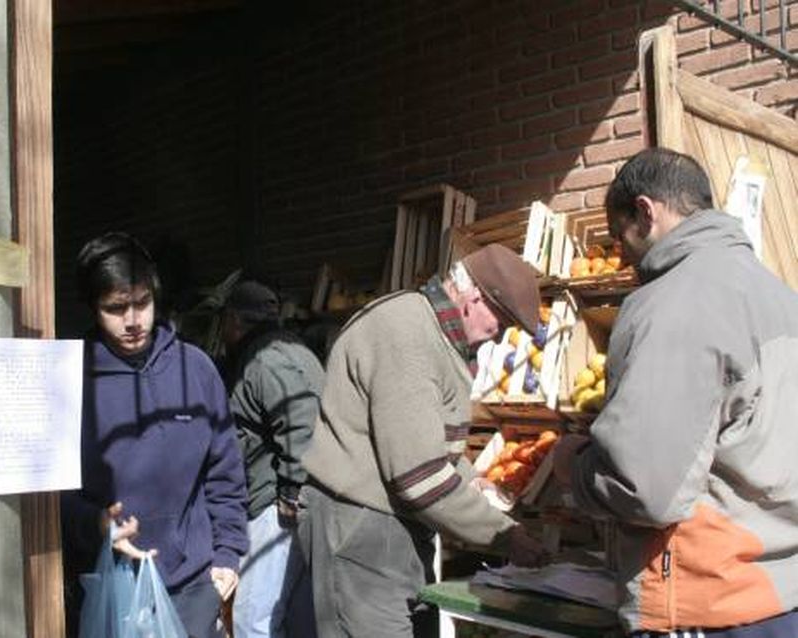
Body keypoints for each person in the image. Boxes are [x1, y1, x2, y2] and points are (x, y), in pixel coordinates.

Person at [552, 148, 798, 637]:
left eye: (619, 234)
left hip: (707, 597)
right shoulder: (779, 296)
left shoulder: (672, 302)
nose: (621, 253)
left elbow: (644, 488)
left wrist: (574, 466)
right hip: (782, 589)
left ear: (645, 212)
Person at [300, 243, 549, 637]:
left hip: (393, 528)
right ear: (472, 299)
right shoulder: (407, 333)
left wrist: (472, 482)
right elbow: (419, 476)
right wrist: (504, 536)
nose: (499, 337)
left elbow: (431, 445)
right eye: (499, 322)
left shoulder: (437, 336)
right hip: (360, 529)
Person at [61, 232, 249, 638]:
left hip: (194, 582)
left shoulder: (194, 369)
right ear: (93, 309)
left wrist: (228, 554)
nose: (133, 321)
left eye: (142, 303)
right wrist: (94, 525)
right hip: (112, 582)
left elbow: (225, 472)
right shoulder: (69, 380)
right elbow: (45, 495)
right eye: (116, 308)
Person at [220, 280, 324, 638]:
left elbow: (300, 415)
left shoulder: (264, 359)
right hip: (301, 499)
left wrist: (292, 490)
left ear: (233, 320)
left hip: (276, 505)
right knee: (292, 614)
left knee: (254, 620)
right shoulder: (296, 349)